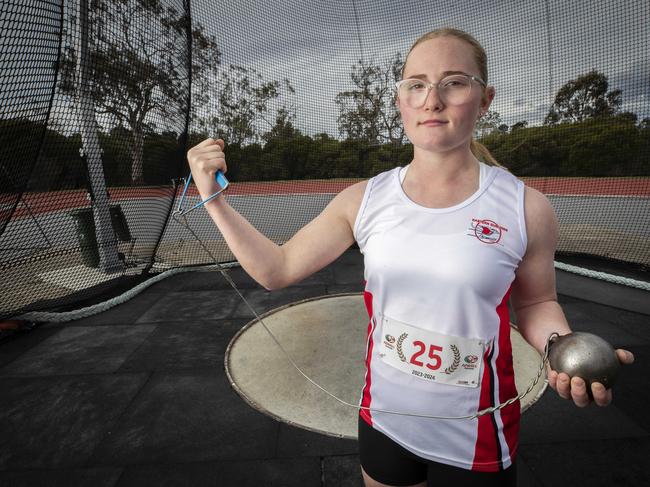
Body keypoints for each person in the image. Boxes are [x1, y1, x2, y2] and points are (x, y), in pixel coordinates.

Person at [187, 27, 634, 487]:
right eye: (416, 84)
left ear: (485, 100)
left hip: (475, 432)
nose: (432, 99)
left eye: (454, 82)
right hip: (385, 422)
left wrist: (561, 346)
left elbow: (537, 304)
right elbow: (275, 270)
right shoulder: (363, 200)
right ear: (401, 100)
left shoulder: (525, 208)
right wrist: (213, 200)